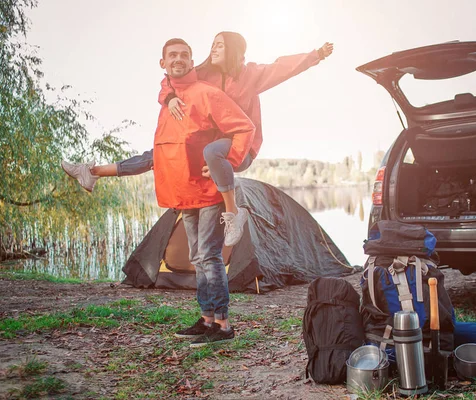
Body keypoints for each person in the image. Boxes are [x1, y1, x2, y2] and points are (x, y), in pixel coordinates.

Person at [62, 32, 334, 245]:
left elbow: (283, 67)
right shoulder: (205, 74)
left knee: (212, 152)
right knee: (159, 155)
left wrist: (316, 55)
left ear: (233, 49)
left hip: (240, 145)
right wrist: (168, 99)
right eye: (212, 44)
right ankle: (93, 171)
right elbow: (170, 80)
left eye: (219, 45)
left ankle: (234, 214)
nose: (213, 49)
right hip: (210, 149)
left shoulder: (251, 75)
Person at [153, 38, 255, 346]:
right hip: (185, 193)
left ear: (192, 60)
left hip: (209, 191)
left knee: (209, 256)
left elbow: (244, 127)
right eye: (173, 55)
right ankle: (207, 317)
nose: (179, 59)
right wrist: (167, 95)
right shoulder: (168, 98)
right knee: (198, 258)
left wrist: (231, 161)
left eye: (185, 55)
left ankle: (223, 325)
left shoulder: (207, 93)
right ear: (163, 63)